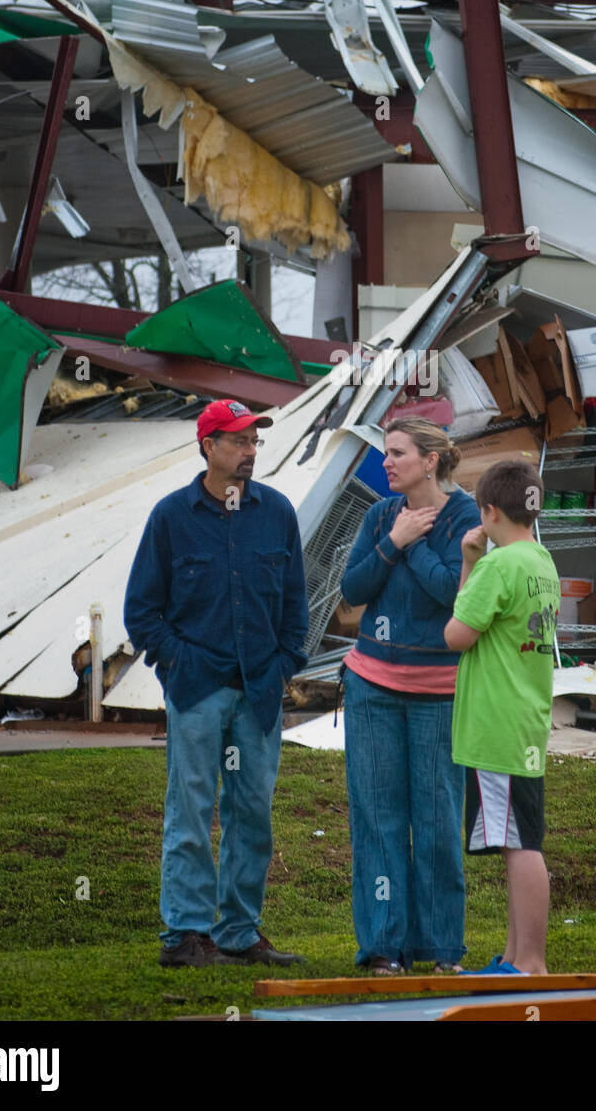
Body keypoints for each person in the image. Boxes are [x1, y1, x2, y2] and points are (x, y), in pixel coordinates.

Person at [124, 398, 309, 968]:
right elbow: (142, 612)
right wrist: (181, 665)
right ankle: (185, 935)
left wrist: (282, 666)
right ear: (208, 446)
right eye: (239, 441)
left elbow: (295, 610)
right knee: (191, 809)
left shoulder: (277, 513)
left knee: (252, 812)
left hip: (259, 695)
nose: (251, 451)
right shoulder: (170, 517)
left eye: (255, 441)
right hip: (197, 691)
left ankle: (238, 931)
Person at [339, 417, 482, 975]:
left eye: (397, 453)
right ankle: (382, 948)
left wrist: (411, 545)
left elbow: (454, 593)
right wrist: (394, 541)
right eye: (385, 452)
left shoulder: (467, 516)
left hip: (438, 695)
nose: (387, 462)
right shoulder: (380, 514)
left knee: (439, 821)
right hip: (371, 689)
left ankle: (443, 950)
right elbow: (352, 591)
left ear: (429, 460)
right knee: (377, 819)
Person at [443, 459, 560, 976]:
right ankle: (514, 958)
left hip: (496, 726)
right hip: (525, 722)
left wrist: (470, 562)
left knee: (520, 846)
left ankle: (530, 962)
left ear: (489, 512)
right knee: (518, 839)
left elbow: (456, 634)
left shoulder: (498, 566)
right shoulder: (541, 561)